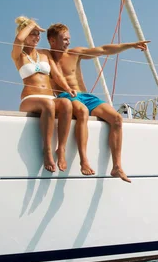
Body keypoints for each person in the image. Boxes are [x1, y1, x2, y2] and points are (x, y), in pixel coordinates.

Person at [45, 23, 149, 183]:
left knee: (116, 119)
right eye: (64, 39)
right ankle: (83, 159)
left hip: (85, 96)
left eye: (69, 39)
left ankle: (117, 166)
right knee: (82, 112)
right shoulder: (46, 57)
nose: (68, 42)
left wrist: (131, 45)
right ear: (52, 40)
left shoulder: (74, 53)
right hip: (66, 96)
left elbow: (103, 50)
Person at [11, 17, 77, 172]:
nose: (37, 37)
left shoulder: (45, 54)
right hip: (30, 98)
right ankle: (47, 150)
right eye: (33, 34)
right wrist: (32, 24)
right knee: (48, 104)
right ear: (25, 34)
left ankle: (61, 149)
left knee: (67, 103)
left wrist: (68, 88)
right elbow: (19, 39)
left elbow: (56, 75)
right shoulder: (18, 55)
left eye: (38, 34)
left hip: (50, 97)